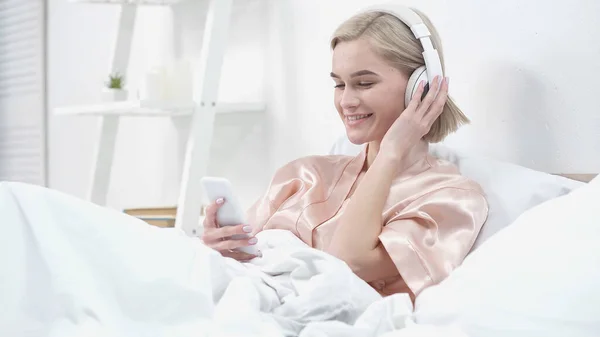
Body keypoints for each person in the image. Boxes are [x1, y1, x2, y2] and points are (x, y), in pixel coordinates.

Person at [201, 5, 489, 301]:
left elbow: (346, 265)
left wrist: (390, 153)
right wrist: (217, 248)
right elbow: (241, 262)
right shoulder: (303, 175)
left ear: (422, 87)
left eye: (364, 83)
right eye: (339, 84)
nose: (346, 101)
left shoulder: (451, 200)